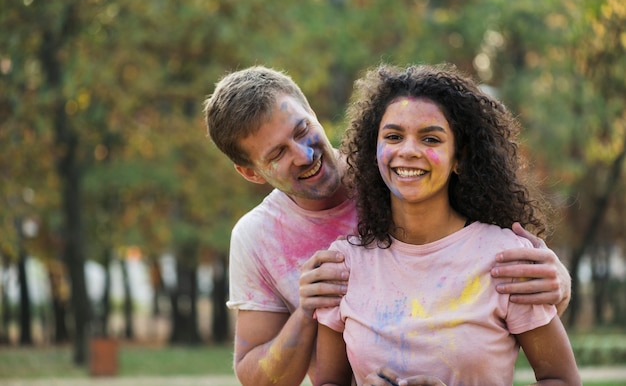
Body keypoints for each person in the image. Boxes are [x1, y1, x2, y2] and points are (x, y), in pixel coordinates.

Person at [202, 66, 573, 386]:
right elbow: (261, 377)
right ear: (250, 173)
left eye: (301, 131)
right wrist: (306, 311)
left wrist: (559, 280)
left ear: (313, 113)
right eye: (278, 153)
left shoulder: (406, 176)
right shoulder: (261, 239)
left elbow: (492, 257)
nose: (304, 155)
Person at [314, 63, 581, 386]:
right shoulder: (344, 265)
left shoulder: (507, 259)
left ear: (459, 158)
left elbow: (562, 379)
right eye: (394, 136)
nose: (408, 151)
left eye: (430, 139)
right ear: (375, 152)